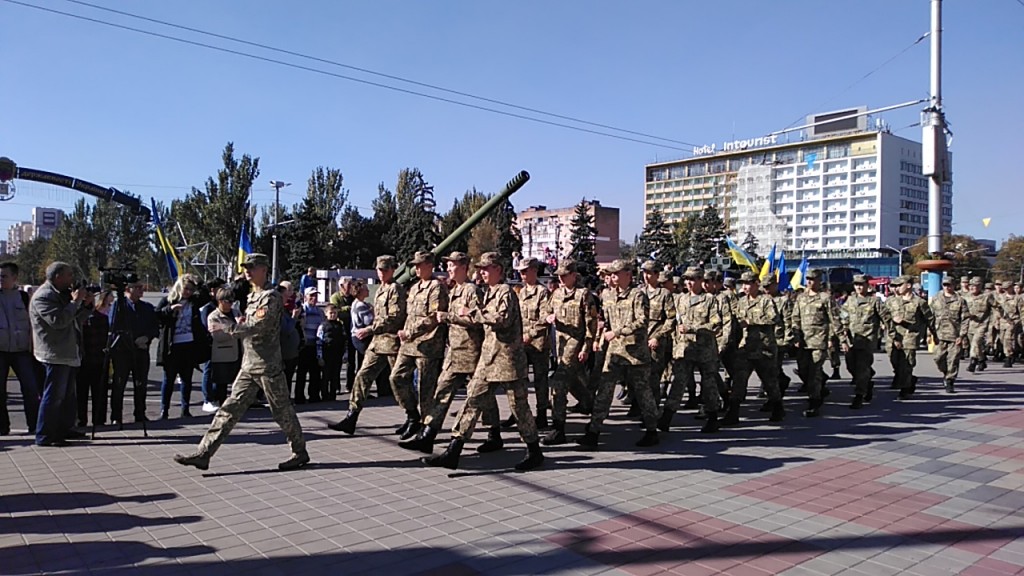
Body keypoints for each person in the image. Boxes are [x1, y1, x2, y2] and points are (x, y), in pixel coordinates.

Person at [174, 253, 309, 471]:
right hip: (249, 365)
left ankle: (299, 452)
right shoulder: (252, 295)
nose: (247, 271)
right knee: (229, 409)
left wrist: (227, 328)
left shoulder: (270, 297)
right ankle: (204, 453)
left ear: (264, 269)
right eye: (246, 267)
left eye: (252, 267)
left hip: (267, 366)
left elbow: (257, 326)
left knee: (281, 410)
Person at [422, 252, 544, 471]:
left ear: (498, 269)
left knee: (520, 409)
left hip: (508, 362)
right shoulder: (490, 292)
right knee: (472, 400)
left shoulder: (505, 292)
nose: (481, 273)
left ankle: (534, 451)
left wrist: (473, 313)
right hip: (488, 360)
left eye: (486, 269)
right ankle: (454, 450)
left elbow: (501, 320)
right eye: (480, 269)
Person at [399, 251, 500, 453]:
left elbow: (478, 320)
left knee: (482, 396)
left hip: (471, 352)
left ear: (463, 267)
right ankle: (428, 435)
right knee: (442, 393)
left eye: (451, 265)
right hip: (454, 352)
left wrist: (449, 317)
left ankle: (494, 434)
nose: (447, 268)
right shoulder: (454, 290)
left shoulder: (472, 291)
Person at [578, 259, 661, 448]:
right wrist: (600, 339)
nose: (612, 277)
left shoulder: (638, 295)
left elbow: (642, 321)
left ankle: (652, 430)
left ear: (627, 274)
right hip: (615, 352)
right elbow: (605, 321)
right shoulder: (607, 295)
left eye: (616, 273)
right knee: (604, 392)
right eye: (611, 274)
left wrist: (617, 332)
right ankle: (593, 431)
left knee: (643, 393)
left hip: (635, 353)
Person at [328, 255, 406, 435]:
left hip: (391, 342)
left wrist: (370, 329)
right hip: (377, 342)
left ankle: (412, 416)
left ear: (392, 270)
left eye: (385, 270)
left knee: (399, 381)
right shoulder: (379, 290)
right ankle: (351, 416)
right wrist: (372, 330)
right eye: (379, 270)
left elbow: (394, 318)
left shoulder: (396, 289)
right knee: (362, 376)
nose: (381, 273)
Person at [30, 262, 92, 447]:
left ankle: (65, 429)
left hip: (69, 351)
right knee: (54, 396)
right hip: (54, 353)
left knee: (67, 396)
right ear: (57, 277)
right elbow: (58, 321)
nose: (71, 280)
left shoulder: (61, 295)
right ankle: (45, 435)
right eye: (68, 275)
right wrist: (75, 302)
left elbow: (75, 320)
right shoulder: (44, 296)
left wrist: (86, 307)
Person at [390, 251, 449, 440]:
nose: (416, 268)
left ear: (429, 266)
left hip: (428, 346)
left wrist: (411, 332)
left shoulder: (436, 288)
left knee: (425, 389)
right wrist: (404, 332)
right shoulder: (415, 288)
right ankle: (412, 415)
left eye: (419, 265)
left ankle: (425, 429)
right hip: (409, 344)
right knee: (396, 377)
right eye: (414, 265)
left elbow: (433, 317)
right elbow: (409, 315)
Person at [660, 267, 723, 434]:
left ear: (701, 280)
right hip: (684, 349)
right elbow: (672, 319)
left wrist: (693, 328)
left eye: (693, 279)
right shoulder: (681, 299)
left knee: (708, 384)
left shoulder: (710, 300)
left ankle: (712, 418)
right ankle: (666, 418)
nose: (689, 282)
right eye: (687, 279)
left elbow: (716, 323)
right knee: (678, 383)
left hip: (705, 349)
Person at [541, 259, 596, 445]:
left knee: (559, 383)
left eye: (565, 275)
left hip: (575, 344)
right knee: (573, 381)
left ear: (574, 275)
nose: (562, 279)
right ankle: (591, 405)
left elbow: (591, 324)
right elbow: (546, 311)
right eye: (560, 276)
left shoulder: (583, 294)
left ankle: (558, 428)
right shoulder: (556, 294)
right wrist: (548, 317)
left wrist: (587, 347)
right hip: (560, 345)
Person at [726, 272, 785, 423]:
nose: (745, 287)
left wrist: (751, 321)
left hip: (763, 348)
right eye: (743, 283)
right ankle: (733, 413)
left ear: (756, 284)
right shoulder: (742, 302)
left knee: (769, 381)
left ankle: (777, 408)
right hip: (745, 348)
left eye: (748, 283)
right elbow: (737, 319)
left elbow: (773, 318)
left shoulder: (766, 300)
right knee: (739, 381)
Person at [791, 269, 846, 417]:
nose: (809, 282)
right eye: (807, 279)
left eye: (812, 279)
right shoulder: (801, 298)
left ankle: (814, 401)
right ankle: (821, 387)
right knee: (803, 370)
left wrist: (841, 339)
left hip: (819, 340)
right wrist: (795, 337)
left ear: (819, 281)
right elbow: (795, 318)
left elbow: (835, 319)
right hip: (803, 341)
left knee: (814, 371)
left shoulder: (825, 298)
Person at [156, 274, 209, 419]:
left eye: (191, 289)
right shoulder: (168, 300)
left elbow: (206, 294)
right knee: (169, 379)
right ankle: (164, 410)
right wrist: (171, 309)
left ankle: (185, 409)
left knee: (187, 379)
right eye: (186, 288)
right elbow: (157, 315)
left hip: (189, 344)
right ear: (179, 287)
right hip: (172, 345)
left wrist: (198, 281)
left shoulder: (193, 301)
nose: (188, 292)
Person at [110, 279, 159, 425]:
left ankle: (140, 414)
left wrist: (147, 337)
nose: (140, 290)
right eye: (137, 287)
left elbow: (155, 327)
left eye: (141, 287)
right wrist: (130, 340)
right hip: (122, 351)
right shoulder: (119, 305)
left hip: (141, 351)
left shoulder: (147, 307)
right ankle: (116, 416)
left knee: (141, 384)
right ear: (128, 289)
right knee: (119, 384)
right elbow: (113, 326)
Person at [512, 257, 552, 430]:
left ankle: (542, 414)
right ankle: (519, 413)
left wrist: (530, 334)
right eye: (520, 271)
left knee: (540, 381)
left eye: (524, 271)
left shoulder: (542, 293)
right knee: (519, 380)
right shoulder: (520, 293)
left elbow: (545, 318)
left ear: (534, 271)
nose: (521, 275)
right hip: (521, 343)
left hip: (538, 344)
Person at [0, 261, 39, 436]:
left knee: (30, 390)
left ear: (15, 278)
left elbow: (32, 324)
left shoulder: (24, 298)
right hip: (1, 351)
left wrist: (32, 347)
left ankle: (35, 425)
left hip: (22, 351)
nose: (0, 280)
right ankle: (2, 427)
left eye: (4, 276)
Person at [841, 275, 890, 408]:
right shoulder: (850, 300)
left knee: (862, 368)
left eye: (861, 284)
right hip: (851, 339)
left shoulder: (874, 301)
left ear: (867, 285)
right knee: (851, 366)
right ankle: (867, 382)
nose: (858, 287)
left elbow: (886, 318)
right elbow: (843, 316)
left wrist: (891, 334)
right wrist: (843, 331)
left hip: (867, 340)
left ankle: (859, 395)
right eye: (856, 284)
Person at [884, 275, 935, 400]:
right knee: (894, 360)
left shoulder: (919, 302)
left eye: (899, 285)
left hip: (910, 335)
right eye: (895, 286)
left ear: (908, 285)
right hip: (894, 335)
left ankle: (905, 389)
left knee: (907, 362)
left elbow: (929, 319)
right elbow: (884, 316)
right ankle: (908, 379)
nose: (897, 288)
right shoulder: (891, 301)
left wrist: (932, 334)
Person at [639, 261, 675, 413]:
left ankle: (652, 410)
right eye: (644, 272)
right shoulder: (639, 292)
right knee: (640, 377)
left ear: (656, 274)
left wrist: (658, 336)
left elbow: (671, 318)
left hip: (656, 340)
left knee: (653, 377)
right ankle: (641, 407)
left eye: (650, 273)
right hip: (640, 339)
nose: (646, 276)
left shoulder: (664, 294)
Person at [77, 289, 111, 427]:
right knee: (80, 393)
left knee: (100, 392)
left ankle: (99, 420)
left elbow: (104, 340)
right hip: (81, 361)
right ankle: (80, 420)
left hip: (98, 359)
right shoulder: (76, 317)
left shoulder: (101, 318)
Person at [930, 276, 968, 393]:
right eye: (945, 285)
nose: (947, 287)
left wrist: (961, 336)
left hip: (954, 335)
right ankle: (946, 373)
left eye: (949, 285)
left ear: (953, 285)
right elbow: (930, 317)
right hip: (939, 334)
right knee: (938, 358)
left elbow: (965, 319)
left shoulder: (960, 300)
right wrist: (929, 334)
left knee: (953, 359)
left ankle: (950, 381)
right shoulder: (936, 298)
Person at [207, 287, 241, 409]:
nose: (231, 304)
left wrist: (226, 328)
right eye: (229, 301)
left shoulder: (236, 313)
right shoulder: (213, 316)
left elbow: (244, 330)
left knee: (237, 384)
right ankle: (221, 406)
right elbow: (218, 336)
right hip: (222, 355)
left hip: (238, 353)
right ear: (220, 301)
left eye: (233, 301)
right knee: (221, 385)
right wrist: (235, 328)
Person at [199, 278, 226, 413]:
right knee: (208, 370)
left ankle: (218, 397)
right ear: (213, 291)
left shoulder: (223, 306)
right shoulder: (208, 308)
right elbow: (207, 327)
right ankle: (208, 399)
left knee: (220, 371)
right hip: (211, 343)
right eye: (221, 288)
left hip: (223, 345)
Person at [296, 287, 325, 403]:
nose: (314, 298)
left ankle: (314, 395)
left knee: (315, 373)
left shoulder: (320, 312)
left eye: (316, 296)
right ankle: (299, 397)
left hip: (316, 346)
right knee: (302, 373)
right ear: (306, 297)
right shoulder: (302, 310)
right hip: (304, 345)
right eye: (311, 296)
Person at [329, 278, 357, 392]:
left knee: (352, 360)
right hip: (340, 331)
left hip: (351, 330)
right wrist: (350, 309)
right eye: (348, 284)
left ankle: (350, 385)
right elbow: (335, 310)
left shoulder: (353, 297)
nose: (350, 287)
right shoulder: (336, 297)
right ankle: (336, 386)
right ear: (341, 286)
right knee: (338, 360)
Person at [277, 284, 303, 401]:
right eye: (286, 296)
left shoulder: (287, 310)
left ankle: (287, 398)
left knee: (289, 376)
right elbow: (286, 329)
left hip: (292, 351)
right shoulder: (279, 313)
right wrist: (294, 317)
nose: (288, 299)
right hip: (284, 351)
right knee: (284, 377)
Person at [316, 304, 346, 402]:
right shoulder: (323, 326)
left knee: (335, 375)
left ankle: (333, 394)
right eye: (331, 313)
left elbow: (344, 340)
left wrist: (345, 354)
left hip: (337, 354)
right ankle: (324, 395)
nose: (333, 315)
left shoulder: (340, 326)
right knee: (325, 376)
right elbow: (319, 341)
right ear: (326, 314)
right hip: (326, 354)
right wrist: (319, 356)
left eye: (335, 313)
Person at [963, 277, 993, 373]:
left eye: (976, 286)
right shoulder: (965, 297)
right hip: (970, 324)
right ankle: (982, 359)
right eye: (971, 286)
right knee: (976, 345)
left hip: (982, 324)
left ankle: (973, 362)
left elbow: (997, 307)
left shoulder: (987, 296)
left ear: (980, 286)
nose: (973, 288)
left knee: (976, 342)